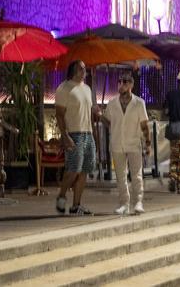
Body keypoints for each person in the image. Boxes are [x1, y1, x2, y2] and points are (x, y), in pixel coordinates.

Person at [101, 72, 150, 215]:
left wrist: (148, 143)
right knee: (120, 175)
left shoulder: (139, 103)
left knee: (136, 174)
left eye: (125, 82)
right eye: (119, 82)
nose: (121, 85)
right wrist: (99, 115)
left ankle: (138, 201)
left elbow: (144, 125)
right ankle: (124, 203)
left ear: (131, 85)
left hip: (133, 142)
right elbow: (108, 122)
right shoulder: (112, 103)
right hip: (117, 143)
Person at [55, 60, 98, 214]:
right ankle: (61, 196)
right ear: (73, 70)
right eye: (81, 68)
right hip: (74, 133)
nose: (84, 70)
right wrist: (65, 135)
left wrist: (94, 132)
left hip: (88, 133)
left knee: (85, 169)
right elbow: (59, 114)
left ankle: (76, 205)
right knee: (73, 169)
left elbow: (90, 113)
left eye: (85, 68)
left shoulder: (87, 88)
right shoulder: (65, 88)